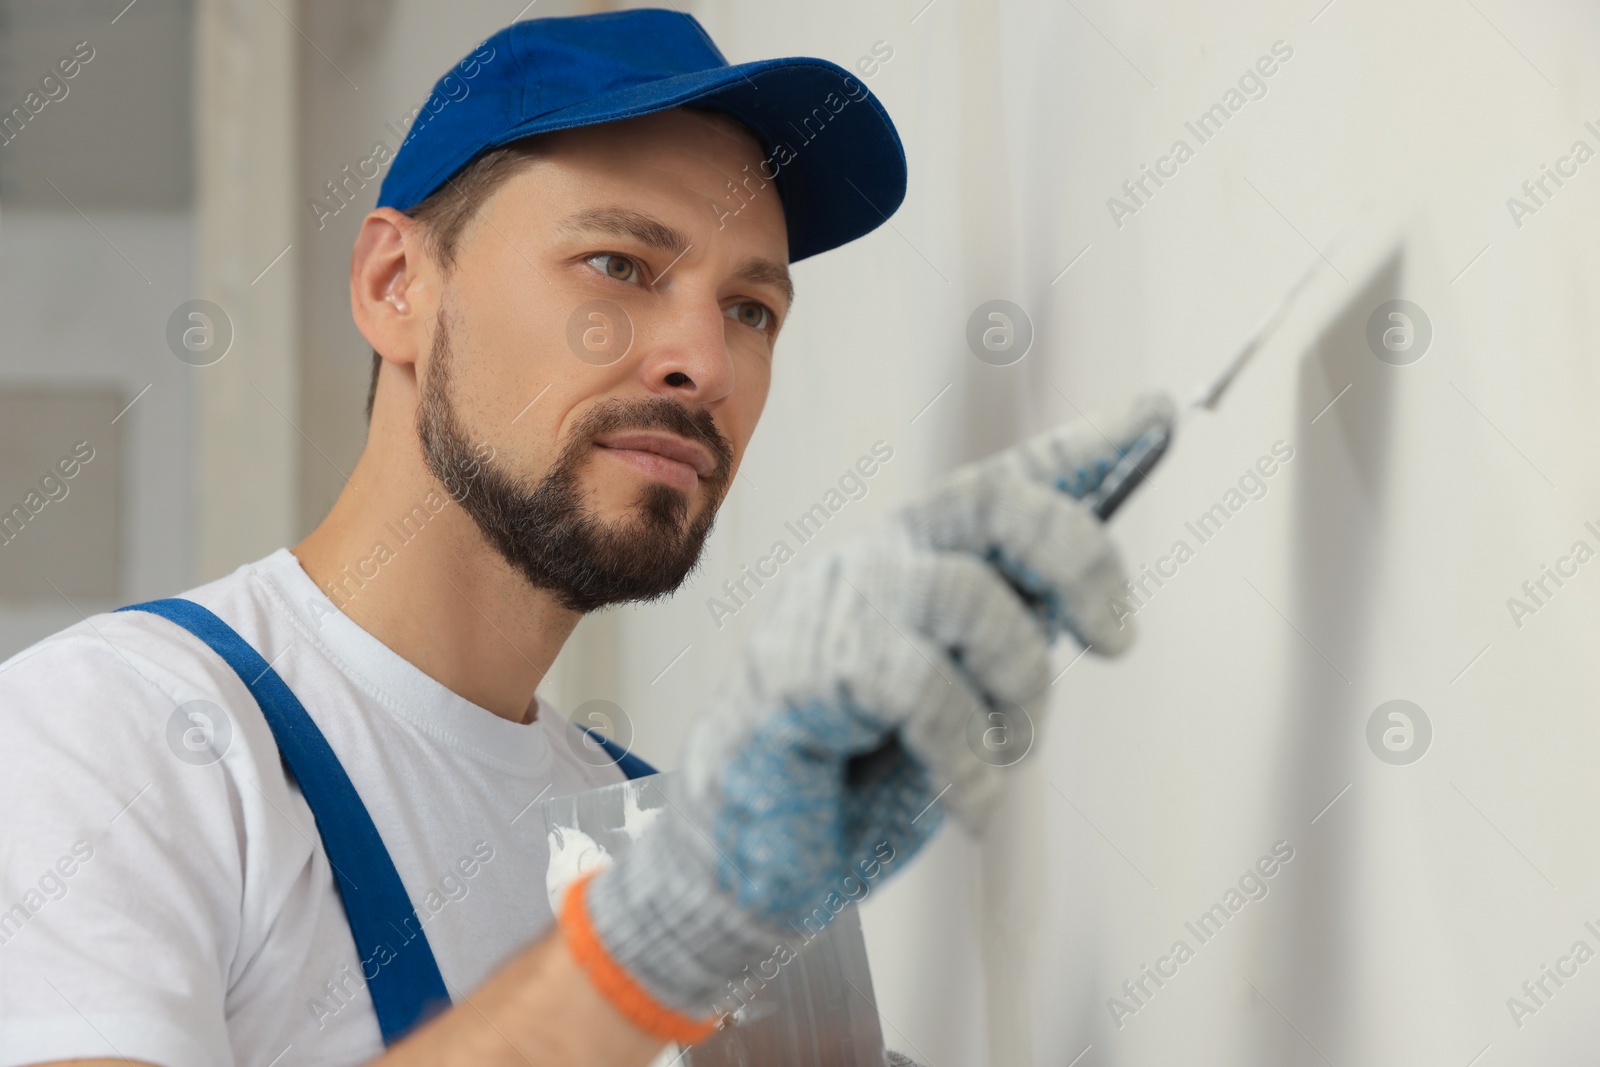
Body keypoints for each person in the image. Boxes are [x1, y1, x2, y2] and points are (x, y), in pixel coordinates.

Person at [0, 9, 1171, 1067]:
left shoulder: (688, 826)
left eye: (750, 308)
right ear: (396, 283)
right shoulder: (116, 736)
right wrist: (652, 948)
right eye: (618, 263)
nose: (703, 361)